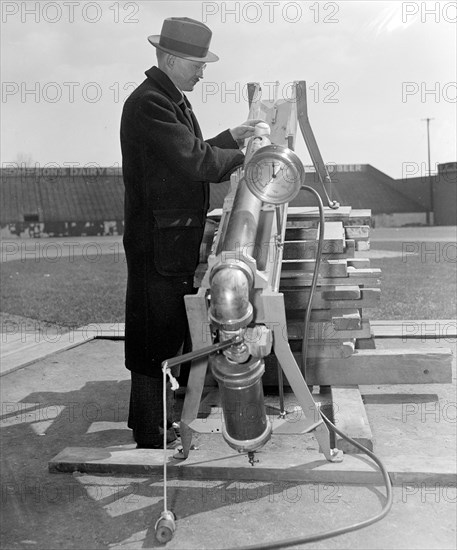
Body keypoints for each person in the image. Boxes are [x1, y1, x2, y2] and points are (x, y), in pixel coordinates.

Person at [120, 17, 261, 448]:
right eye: (197, 63)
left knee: (165, 330)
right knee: (154, 334)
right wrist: (244, 154)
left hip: (170, 241)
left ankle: (156, 422)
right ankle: (151, 431)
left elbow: (188, 153)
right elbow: (197, 161)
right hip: (158, 243)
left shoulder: (169, 99)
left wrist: (231, 137)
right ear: (170, 58)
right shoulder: (150, 103)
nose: (203, 71)